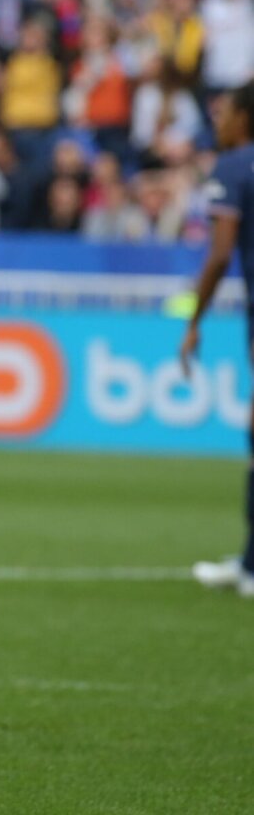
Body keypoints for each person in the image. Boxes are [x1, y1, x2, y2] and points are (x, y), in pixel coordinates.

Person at [180, 84, 254, 598]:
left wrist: (194, 318)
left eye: (225, 113)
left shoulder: (232, 166)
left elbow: (220, 254)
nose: (219, 122)